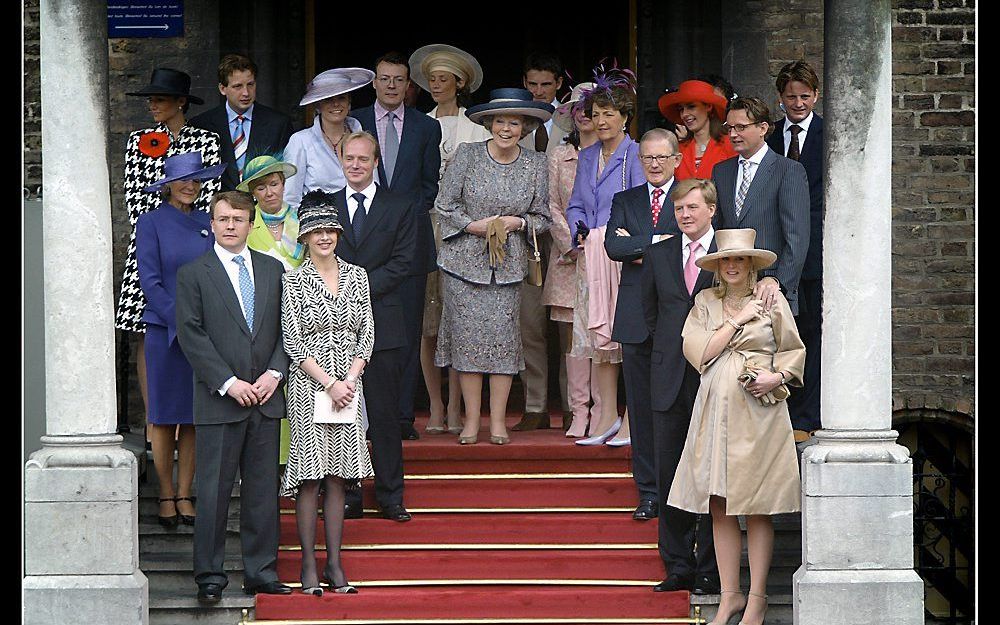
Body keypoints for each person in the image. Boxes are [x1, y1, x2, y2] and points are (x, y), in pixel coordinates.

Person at [668, 227, 805, 625]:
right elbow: (700, 353)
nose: (732, 266)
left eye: (740, 259)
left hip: (759, 412)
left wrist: (775, 378)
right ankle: (731, 597)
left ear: (751, 265)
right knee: (719, 505)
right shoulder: (705, 303)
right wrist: (738, 320)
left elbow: (795, 351)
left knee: (758, 505)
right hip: (714, 411)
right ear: (717, 265)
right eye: (726, 259)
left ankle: (758, 600)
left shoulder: (771, 299)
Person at [176, 190, 291, 603]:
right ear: (212, 223)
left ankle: (261, 572)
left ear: (250, 222)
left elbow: (287, 329)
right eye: (223, 219)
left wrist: (275, 373)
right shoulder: (194, 273)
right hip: (220, 400)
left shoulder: (274, 269)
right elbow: (191, 334)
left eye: (238, 219)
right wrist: (228, 382)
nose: (230, 226)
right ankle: (209, 575)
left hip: (266, 397)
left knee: (262, 493)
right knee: (214, 492)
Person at [435, 88, 552, 445]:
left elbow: (543, 217)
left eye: (514, 122)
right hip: (463, 266)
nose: (506, 128)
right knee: (468, 346)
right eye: (500, 120)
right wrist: (473, 226)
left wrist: (517, 223)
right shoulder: (467, 156)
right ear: (488, 123)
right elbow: (444, 205)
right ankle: (471, 422)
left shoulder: (536, 164)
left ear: (525, 127)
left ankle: (498, 422)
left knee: (503, 345)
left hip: (507, 267)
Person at [117, 68, 222, 442]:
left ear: (181, 102)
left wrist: (192, 231)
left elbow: (209, 194)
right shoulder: (139, 139)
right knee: (150, 332)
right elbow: (136, 198)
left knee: (196, 330)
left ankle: (189, 413)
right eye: (151, 98)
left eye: (160, 98)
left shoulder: (206, 140)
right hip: (150, 242)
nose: (153, 105)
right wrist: (163, 229)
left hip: (196, 243)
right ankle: (154, 419)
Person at [280, 193, 375, 596]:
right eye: (315, 231)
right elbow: (293, 341)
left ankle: (335, 565)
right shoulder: (293, 279)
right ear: (304, 236)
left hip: (349, 387)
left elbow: (366, 333)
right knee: (309, 478)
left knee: (339, 478)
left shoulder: (358, 276)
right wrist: (329, 383)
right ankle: (307, 564)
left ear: (338, 233)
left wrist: (349, 378)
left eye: (329, 230)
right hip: (309, 386)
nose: (324, 237)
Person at [353, 51, 442, 442]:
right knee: (352, 334)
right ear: (374, 82)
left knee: (405, 333)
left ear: (409, 85)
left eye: (398, 80)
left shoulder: (426, 127)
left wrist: (399, 220)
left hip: (409, 244)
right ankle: (358, 416)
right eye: (384, 78)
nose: (391, 85)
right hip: (358, 246)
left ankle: (403, 416)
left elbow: (429, 186)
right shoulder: (355, 120)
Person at [640, 177, 721, 596]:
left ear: (711, 209)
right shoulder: (658, 253)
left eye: (692, 207)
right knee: (670, 472)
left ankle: (710, 568)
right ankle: (677, 565)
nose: (685, 215)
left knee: (710, 475)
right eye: (678, 209)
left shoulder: (728, 255)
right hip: (668, 375)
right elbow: (650, 313)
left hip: (714, 377)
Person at [331, 131, 417, 522]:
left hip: (384, 323)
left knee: (383, 415)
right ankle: (347, 495)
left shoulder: (399, 206)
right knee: (339, 416)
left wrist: (354, 286)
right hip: (333, 328)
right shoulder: (326, 206)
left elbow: (404, 263)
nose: (355, 165)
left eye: (363, 159)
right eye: (349, 158)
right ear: (340, 157)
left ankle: (390, 495)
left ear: (376, 161)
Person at [135, 151, 225, 528]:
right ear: (168, 185)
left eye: (196, 179)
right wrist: (180, 321)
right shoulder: (150, 222)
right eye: (183, 179)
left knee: (191, 417)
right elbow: (149, 280)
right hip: (164, 329)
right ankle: (165, 492)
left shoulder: (209, 223)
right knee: (162, 416)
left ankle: (186, 493)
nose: (190, 185)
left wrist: (199, 326)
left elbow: (214, 275)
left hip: (200, 332)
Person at [408, 43, 491, 435]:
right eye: (432, 79)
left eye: (444, 78)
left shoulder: (477, 129)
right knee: (427, 321)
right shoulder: (418, 123)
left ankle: (458, 406)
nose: (437, 84)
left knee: (459, 320)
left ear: (460, 83)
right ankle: (437, 405)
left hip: (464, 232)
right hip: (426, 229)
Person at [564, 61, 645, 446]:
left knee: (625, 337)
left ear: (625, 117)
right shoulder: (586, 156)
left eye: (609, 114)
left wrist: (613, 236)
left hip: (623, 257)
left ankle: (631, 418)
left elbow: (643, 206)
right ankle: (606, 415)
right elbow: (576, 203)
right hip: (590, 256)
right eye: (595, 114)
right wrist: (579, 230)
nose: (600, 121)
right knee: (599, 337)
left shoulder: (637, 155)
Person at [604, 128, 683, 521]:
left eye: (661, 157)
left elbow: (691, 242)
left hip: (677, 318)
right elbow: (613, 248)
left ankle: (676, 492)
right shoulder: (626, 199)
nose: (654, 164)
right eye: (647, 158)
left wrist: (639, 242)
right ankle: (648, 492)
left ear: (676, 160)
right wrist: (661, 242)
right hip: (634, 316)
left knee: (676, 406)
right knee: (640, 407)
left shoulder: (690, 197)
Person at [766, 60, 824, 439]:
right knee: (776, 332)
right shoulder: (769, 137)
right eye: (791, 97)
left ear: (816, 96)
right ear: (781, 98)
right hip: (777, 248)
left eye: (805, 96)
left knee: (812, 332)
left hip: (818, 249)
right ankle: (778, 411)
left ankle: (805, 417)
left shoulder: (830, 133)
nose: (798, 103)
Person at [712, 96, 810, 316]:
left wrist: (778, 281)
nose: (734, 134)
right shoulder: (721, 171)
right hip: (729, 290)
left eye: (741, 127)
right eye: (730, 128)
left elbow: (797, 237)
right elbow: (717, 228)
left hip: (770, 291)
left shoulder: (788, 170)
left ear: (763, 128)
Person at [237, 154, 305, 466]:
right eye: (261, 187)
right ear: (252, 192)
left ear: (284, 183)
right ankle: (273, 465)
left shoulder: (303, 223)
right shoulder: (246, 229)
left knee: (302, 392)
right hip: (262, 319)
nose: (269, 192)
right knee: (269, 389)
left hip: (303, 318)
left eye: (274, 184)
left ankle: (303, 464)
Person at [511, 51, 566, 432]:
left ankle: (574, 404)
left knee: (568, 322)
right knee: (528, 322)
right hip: (526, 236)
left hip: (564, 236)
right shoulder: (516, 124)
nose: (539, 91)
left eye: (546, 84)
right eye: (532, 84)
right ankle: (535, 405)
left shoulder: (574, 118)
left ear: (559, 84)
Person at [545, 82, 598, 436]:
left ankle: (603, 408)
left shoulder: (623, 154)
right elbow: (549, 205)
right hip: (568, 259)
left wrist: (598, 243)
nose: (584, 115)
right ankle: (576, 409)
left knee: (605, 337)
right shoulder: (557, 157)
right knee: (572, 338)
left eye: (591, 110)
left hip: (608, 256)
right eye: (578, 109)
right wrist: (571, 244)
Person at [189, 53, 295, 191]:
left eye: (250, 84)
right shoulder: (202, 124)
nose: (246, 93)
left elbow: (286, 172)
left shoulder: (278, 123)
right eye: (238, 86)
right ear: (222, 89)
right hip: (220, 206)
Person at [282, 67, 374, 208]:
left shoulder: (364, 138)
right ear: (318, 105)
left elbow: (374, 184)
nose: (336, 104)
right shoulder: (300, 141)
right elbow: (290, 199)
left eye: (341, 97)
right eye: (328, 99)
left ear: (349, 102)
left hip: (361, 222)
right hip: (318, 226)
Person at [658, 80, 736, 180]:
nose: (685, 114)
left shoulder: (730, 145)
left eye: (691, 107)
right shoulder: (677, 149)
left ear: (708, 106)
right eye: (681, 109)